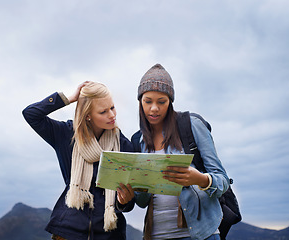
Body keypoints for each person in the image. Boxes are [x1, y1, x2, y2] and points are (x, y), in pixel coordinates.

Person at [22, 81, 135, 240]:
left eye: (112, 107)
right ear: (87, 115)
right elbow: (31, 114)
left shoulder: (123, 145)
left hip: (109, 233)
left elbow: (129, 203)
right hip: (68, 231)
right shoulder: (65, 134)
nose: (112, 115)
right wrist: (69, 98)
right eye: (103, 111)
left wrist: (125, 201)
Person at [132, 64, 230, 240]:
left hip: (200, 234)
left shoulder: (191, 125)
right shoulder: (137, 140)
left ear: (170, 102)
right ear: (140, 101)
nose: (154, 108)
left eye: (161, 102)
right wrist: (128, 194)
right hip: (157, 235)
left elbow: (222, 181)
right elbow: (142, 201)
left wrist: (199, 179)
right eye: (148, 101)